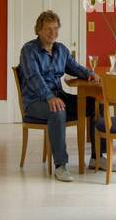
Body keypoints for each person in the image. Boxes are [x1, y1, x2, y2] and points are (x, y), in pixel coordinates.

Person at [18, 10, 97, 182]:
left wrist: (89, 73)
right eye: (48, 29)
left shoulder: (61, 50)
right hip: (35, 102)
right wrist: (49, 97)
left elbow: (75, 67)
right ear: (38, 30)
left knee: (95, 104)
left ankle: (97, 158)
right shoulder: (28, 51)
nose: (53, 33)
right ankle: (61, 165)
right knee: (58, 109)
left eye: (55, 28)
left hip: (58, 96)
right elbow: (34, 79)